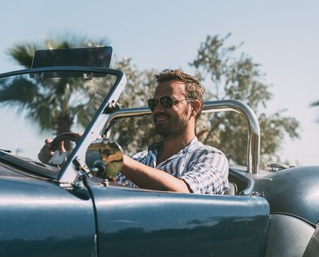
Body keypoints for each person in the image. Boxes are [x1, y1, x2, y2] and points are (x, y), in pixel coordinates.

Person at [39, 69, 230, 194]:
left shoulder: (210, 157)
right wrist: (59, 161)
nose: (158, 110)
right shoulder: (140, 159)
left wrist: (115, 157)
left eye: (167, 102)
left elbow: (184, 193)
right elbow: (99, 186)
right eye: (154, 103)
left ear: (194, 108)